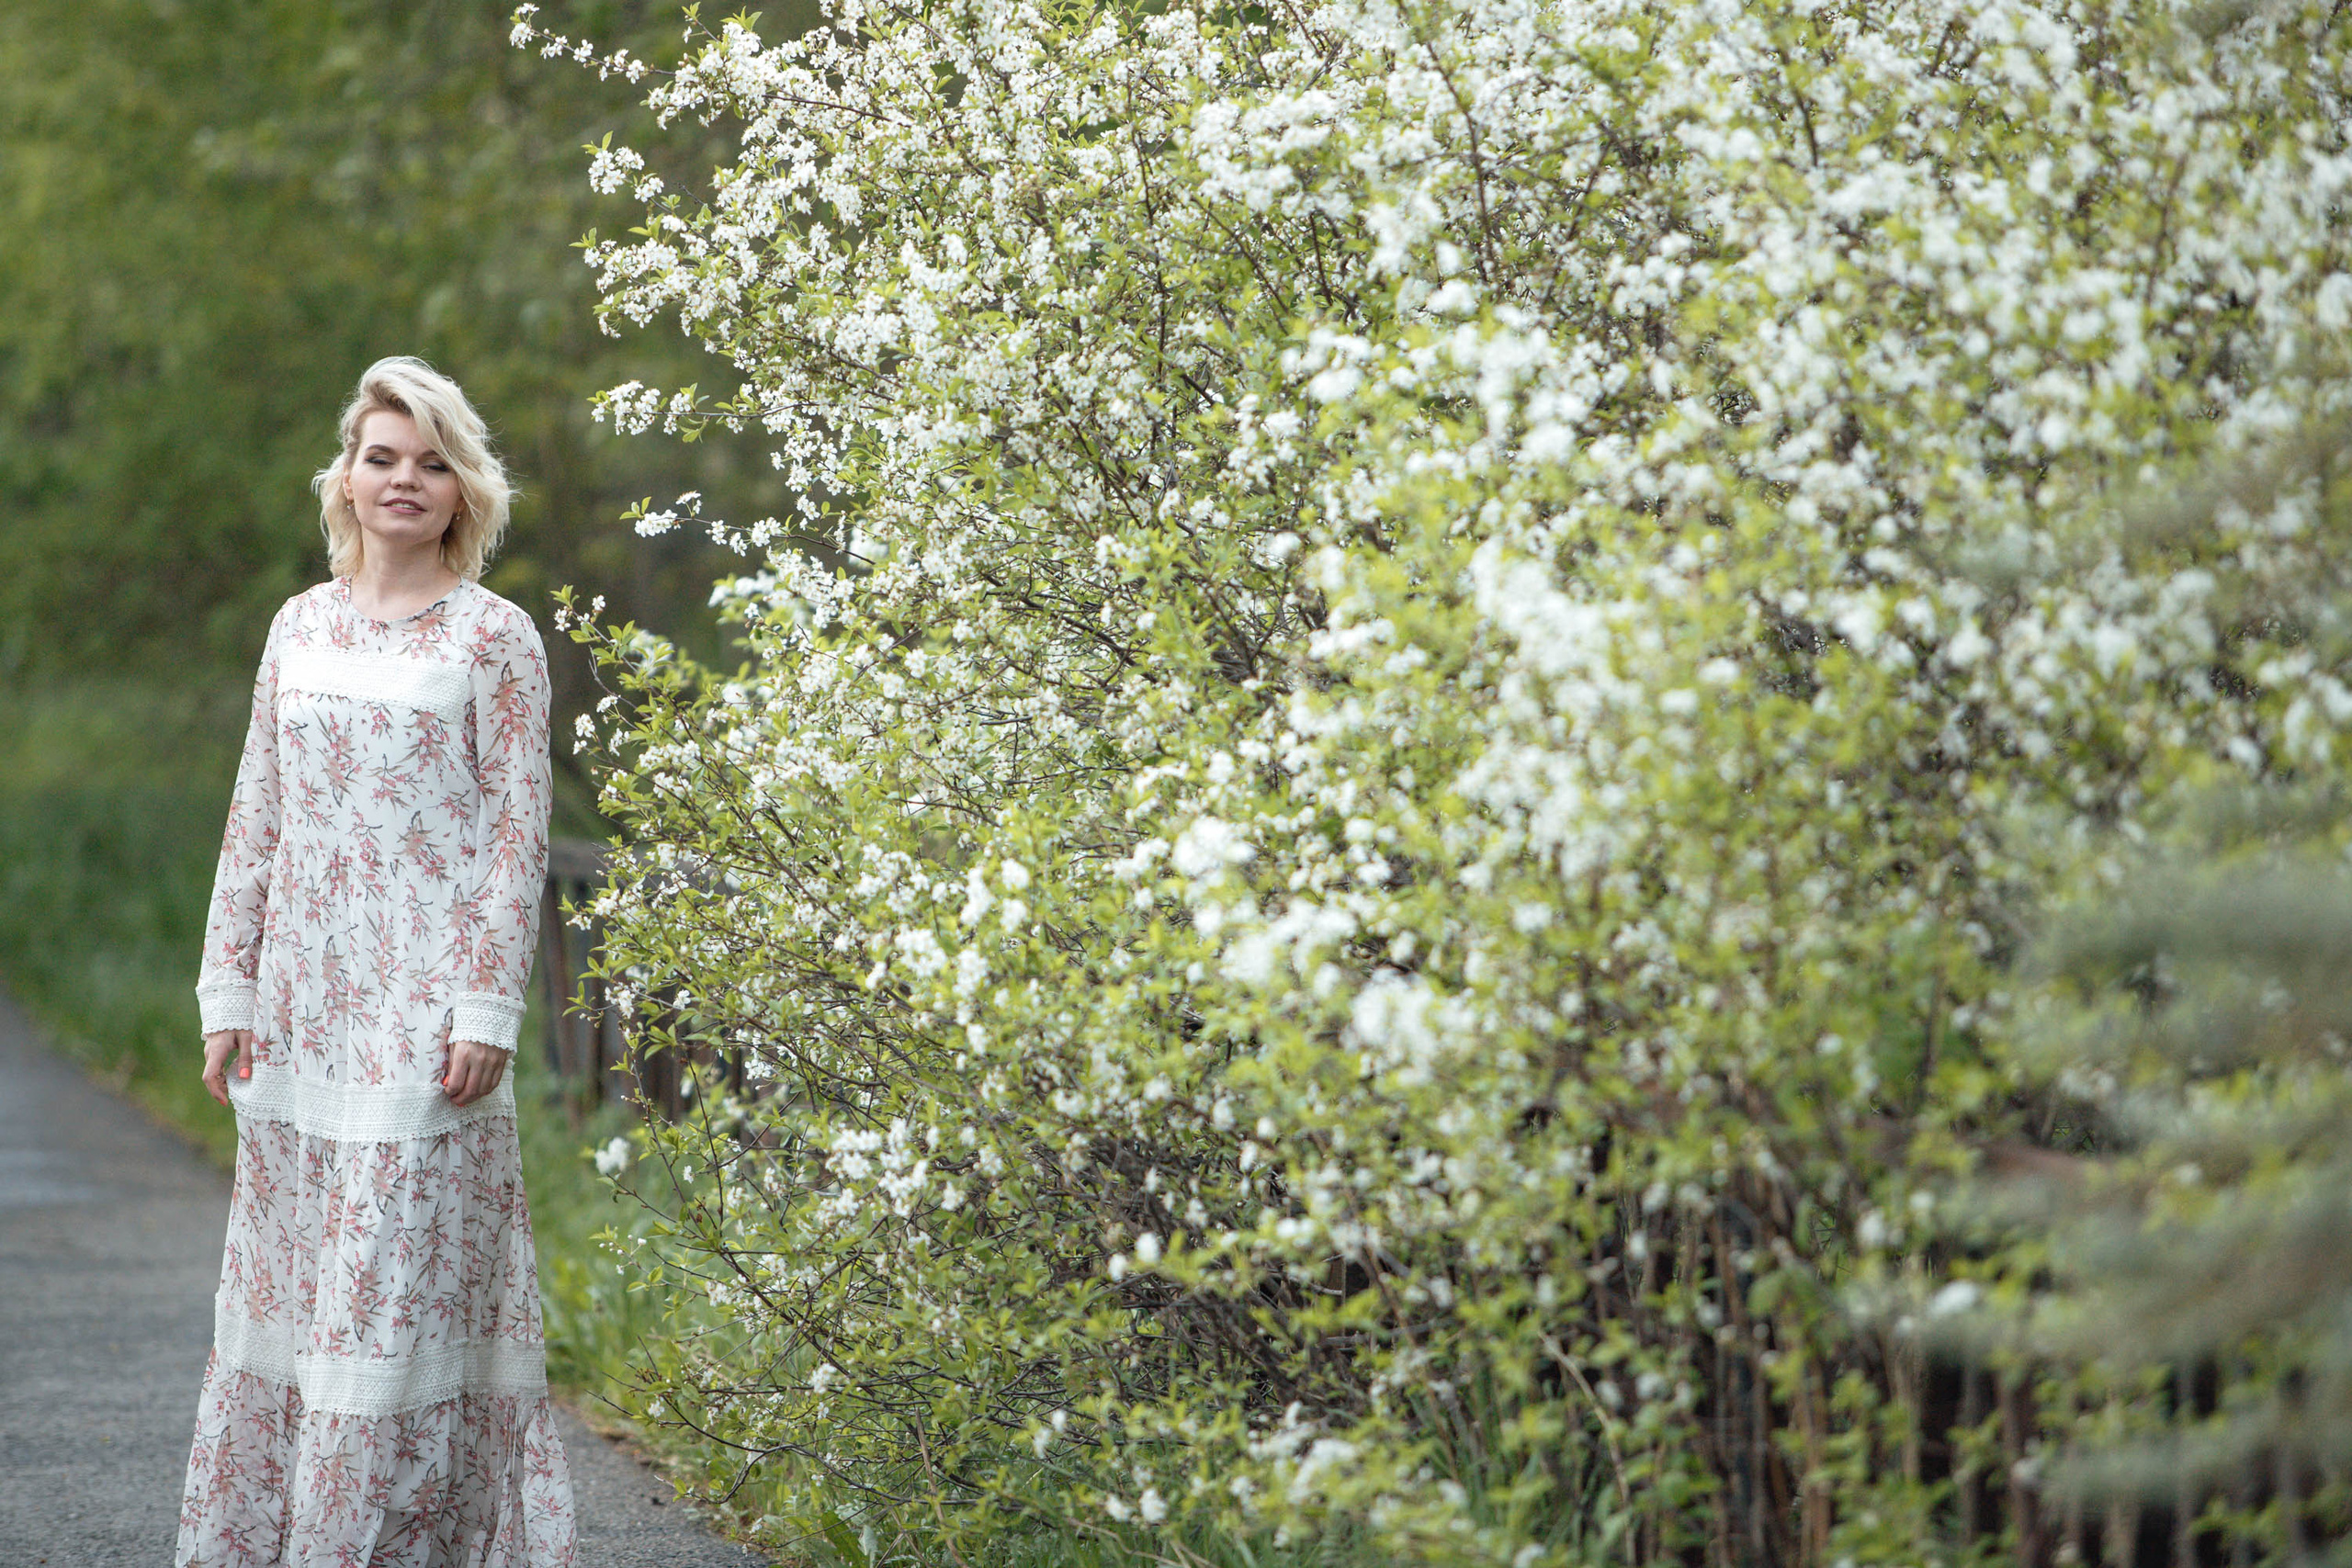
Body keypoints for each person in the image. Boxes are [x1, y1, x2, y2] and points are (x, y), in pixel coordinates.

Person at [177, 356, 578, 1564]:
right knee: (300, 1309)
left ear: (466, 491)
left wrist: (487, 1009)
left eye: (433, 461)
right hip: (301, 1016)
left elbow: (518, 841)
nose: (406, 480)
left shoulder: (496, 639)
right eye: (383, 457)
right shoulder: (296, 625)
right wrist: (227, 993)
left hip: (421, 1029)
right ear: (345, 481)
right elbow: (258, 816)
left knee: (391, 1306)